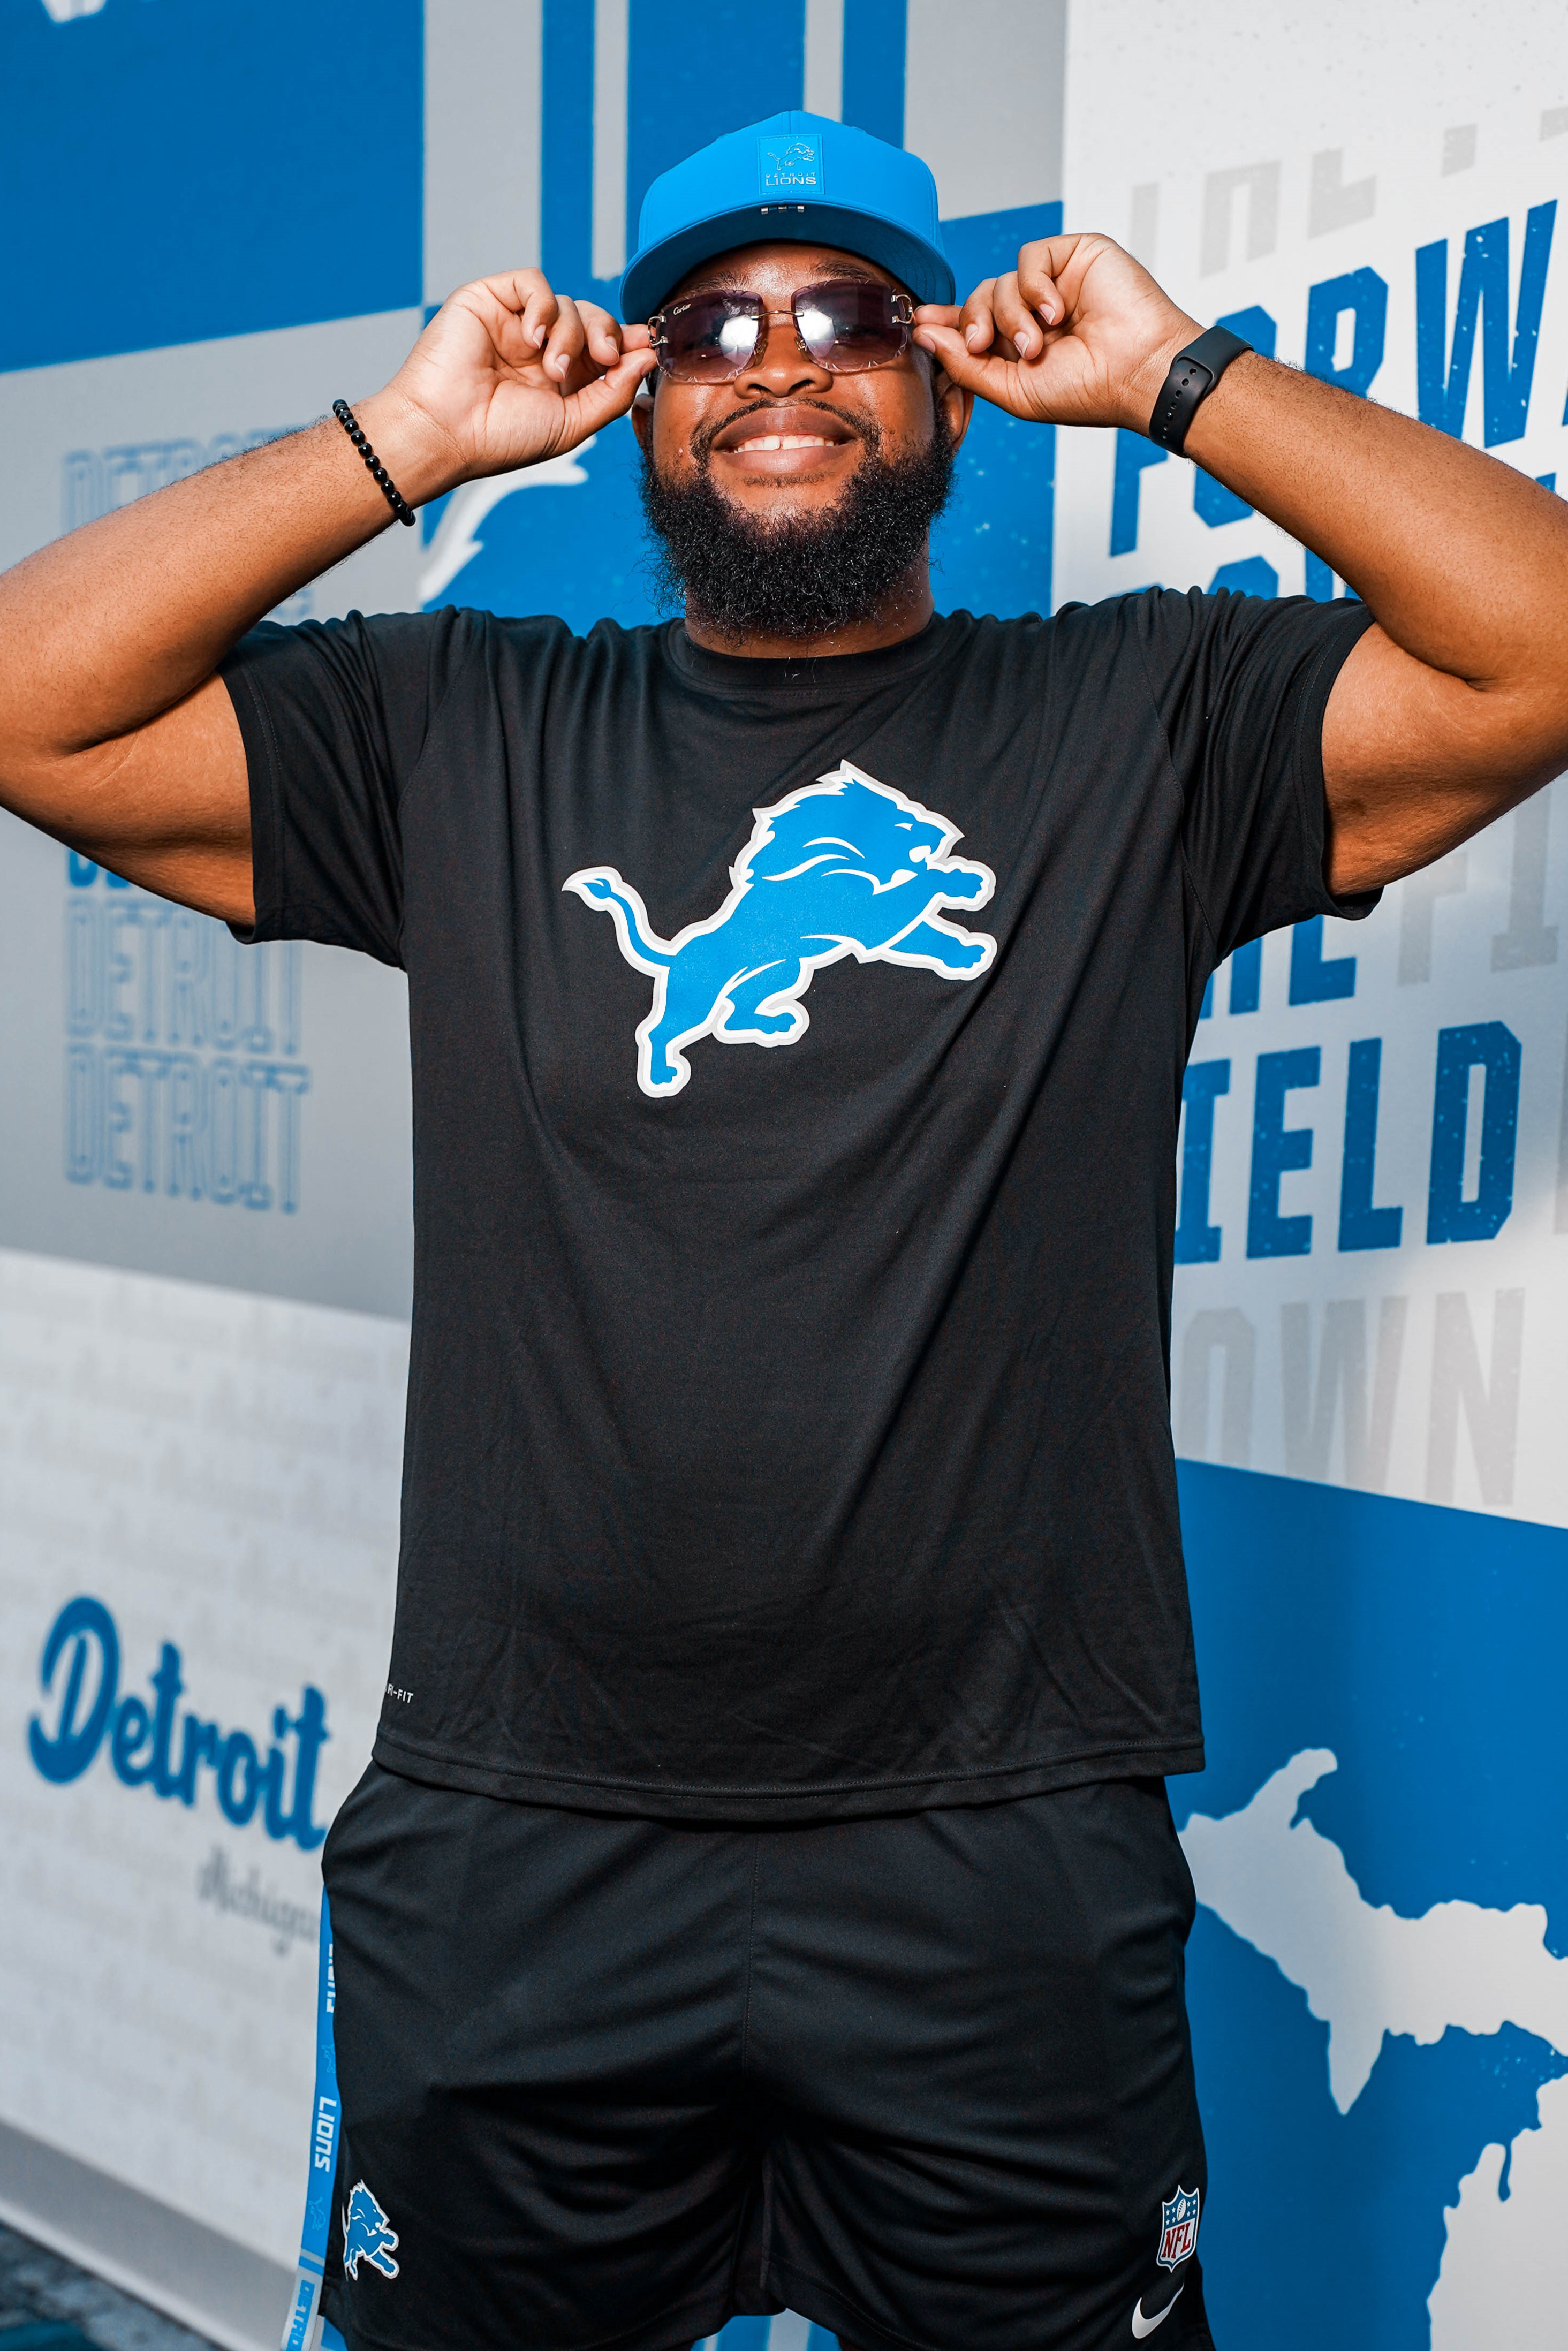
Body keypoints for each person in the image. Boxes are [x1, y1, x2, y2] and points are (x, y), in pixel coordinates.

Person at [3, 102, 1565, 2351]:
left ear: (940, 377)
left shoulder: (1141, 716)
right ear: (642, 394)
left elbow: (1543, 642)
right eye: (712, 325)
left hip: (999, 1846)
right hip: (524, 1837)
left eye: (845, 315)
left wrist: (1181, 375)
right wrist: (408, 438)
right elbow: (29, 701)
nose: (780, 362)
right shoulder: (466, 728)